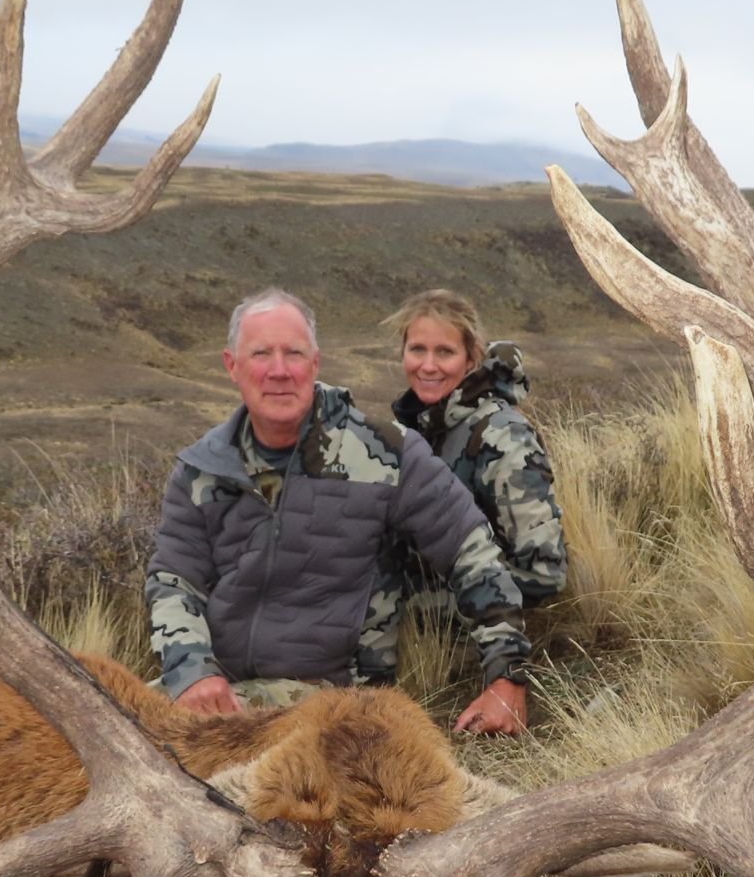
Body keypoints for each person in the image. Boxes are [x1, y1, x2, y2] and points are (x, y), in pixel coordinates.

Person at [146, 287, 531, 734]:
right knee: (111, 723)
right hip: (217, 688)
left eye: (293, 354)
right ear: (232, 366)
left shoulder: (386, 452)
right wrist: (193, 670)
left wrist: (507, 677)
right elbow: (174, 581)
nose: (278, 371)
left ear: (315, 364)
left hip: (333, 696)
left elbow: (472, 553)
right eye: (261, 354)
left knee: (160, 744)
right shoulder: (201, 467)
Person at [386, 288, 566, 607]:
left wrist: (406, 603)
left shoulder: (503, 437)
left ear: (471, 358)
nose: (428, 366)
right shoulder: (418, 427)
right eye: (417, 349)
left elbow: (543, 577)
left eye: (445, 352)